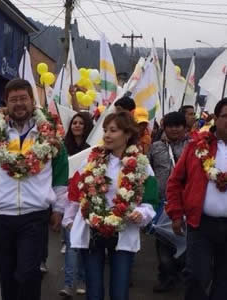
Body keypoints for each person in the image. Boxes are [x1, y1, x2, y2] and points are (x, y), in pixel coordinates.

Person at [0, 79, 68, 300]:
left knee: (28, 274)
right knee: (6, 276)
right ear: (6, 102)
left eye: (23, 98)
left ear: (33, 101)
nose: (19, 104)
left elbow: (60, 174)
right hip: (1, 216)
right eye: (14, 100)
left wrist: (59, 209)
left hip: (35, 216)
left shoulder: (49, 134)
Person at [67, 111, 158, 300]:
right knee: (93, 290)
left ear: (127, 134)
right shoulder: (91, 160)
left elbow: (150, 200)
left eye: (113, 130)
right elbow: (76, 192)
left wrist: (142, 213)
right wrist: (69, 217)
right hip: (93, 230)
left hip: (123, 230)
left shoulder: (141, 165)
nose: (107, 135)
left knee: (120, 290)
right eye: (105, 130)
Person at [166, 98, 227, 300]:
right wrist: (175, 214)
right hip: (200, 225)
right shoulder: (196, 147)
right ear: (215, 119)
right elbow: (175, 182)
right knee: (197, 276)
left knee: (224, 281)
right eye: (226, 116)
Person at [148, 112, 189, 293]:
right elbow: (148, 171)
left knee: (183, 241)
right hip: (161, 202)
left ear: (184, 127)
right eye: (170, 125)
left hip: (185, 202)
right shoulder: (155, 147)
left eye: (178, 125)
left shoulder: (193, 147)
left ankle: (179, 274)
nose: (174, 129)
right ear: (164, 127)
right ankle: (165, 276)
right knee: (163, 242)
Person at [59, 112, 93, 297]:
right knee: (72, 244)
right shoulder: (64, 148)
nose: (77, 126)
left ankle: (82, 279)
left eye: (81, 123)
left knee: (84, 245)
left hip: (87, 200)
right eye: (74, 123)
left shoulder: (93, 149)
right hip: (68, 200)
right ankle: (68, 284)